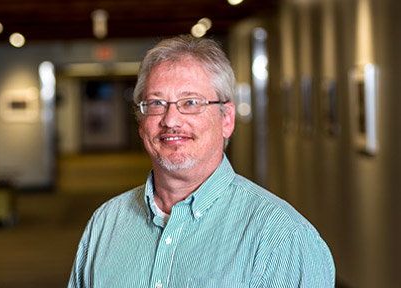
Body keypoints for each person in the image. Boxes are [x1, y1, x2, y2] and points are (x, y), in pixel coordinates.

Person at [68, 34, 335, 288]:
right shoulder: (105, 223)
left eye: (191, 102)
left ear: (226, 119)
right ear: (141, 124)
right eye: (157, 103)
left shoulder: (282, 238)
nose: (171, 120)